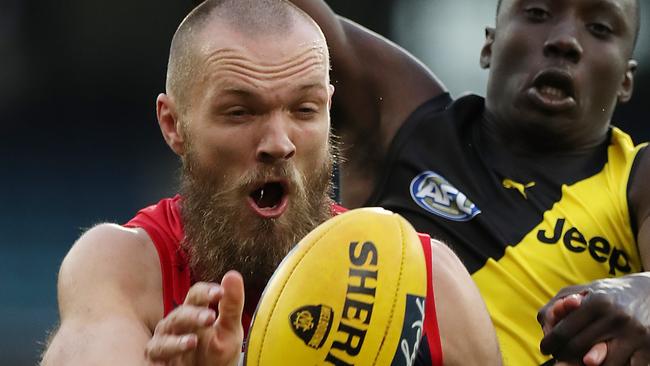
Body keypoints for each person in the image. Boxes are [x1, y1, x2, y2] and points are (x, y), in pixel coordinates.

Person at [39, 0, 501, 365]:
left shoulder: (423, 281)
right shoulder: (123, 269)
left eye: (304, 110)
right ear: (173, 125)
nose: (279, 143)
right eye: (241, 111)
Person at [287, 0, 650, 365]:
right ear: (490, 44)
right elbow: (285, 19)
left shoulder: (638, 178)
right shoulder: (407, 122)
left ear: (625, 80)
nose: (566, 41)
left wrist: (642, 293)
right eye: (538, 12)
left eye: (600, 28)